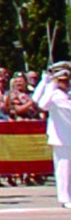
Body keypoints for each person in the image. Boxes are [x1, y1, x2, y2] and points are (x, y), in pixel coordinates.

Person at [30, 64, 71, 210]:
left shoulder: (68, 94)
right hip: (61, 138)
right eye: (62, 81)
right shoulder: (53, 95)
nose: (65, 83)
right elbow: (40, 103)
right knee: (63, 169)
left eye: (67, 80)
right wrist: (47, 82)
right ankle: (65, 198)